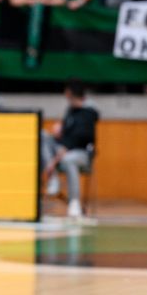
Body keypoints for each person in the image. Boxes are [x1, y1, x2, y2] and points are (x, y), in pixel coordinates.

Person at [42, 80, 99, 219]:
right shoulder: (70, 111)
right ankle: (53, 179)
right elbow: (66, 133)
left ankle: (75, 203)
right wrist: (59, 131)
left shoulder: (89, 113)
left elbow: (83, 137)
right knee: (43, 136)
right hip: (62, 150)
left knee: (68, 159)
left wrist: (63, 150)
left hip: (81, 153)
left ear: (70, 93)